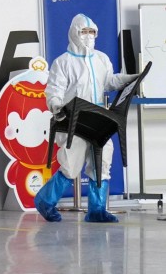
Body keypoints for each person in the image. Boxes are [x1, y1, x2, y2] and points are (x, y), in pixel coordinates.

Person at [34, 14, 140, 223]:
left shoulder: (101, 59)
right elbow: (54, 90)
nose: (89, 36)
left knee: (102, 162)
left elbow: (109, 81)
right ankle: (45, 201)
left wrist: (130, 78)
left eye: (92, 32)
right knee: (71, 166)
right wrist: (56, 106)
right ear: (74, 32)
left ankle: (97, 210)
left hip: (99, 119)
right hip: (74, 120)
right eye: (84, 32)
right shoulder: (63, 63)